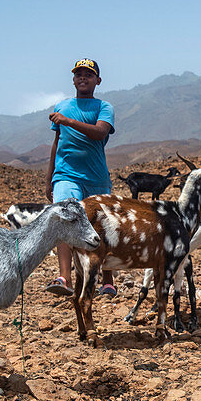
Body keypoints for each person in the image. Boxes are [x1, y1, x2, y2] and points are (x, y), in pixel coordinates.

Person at [44, 58, 116, 297]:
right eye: (79, 74)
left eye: (88, 74)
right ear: (73, 79)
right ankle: (64, 278)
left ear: (98, 80)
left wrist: (67, 121)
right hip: (66, 175)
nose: (83, 78)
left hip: (96, 177)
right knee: (65, 220)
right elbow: (57, 143)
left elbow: (100, 133)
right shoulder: (62, 105)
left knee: (101, 226)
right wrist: (49, 179)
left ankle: (107, 281)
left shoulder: (104, 107)